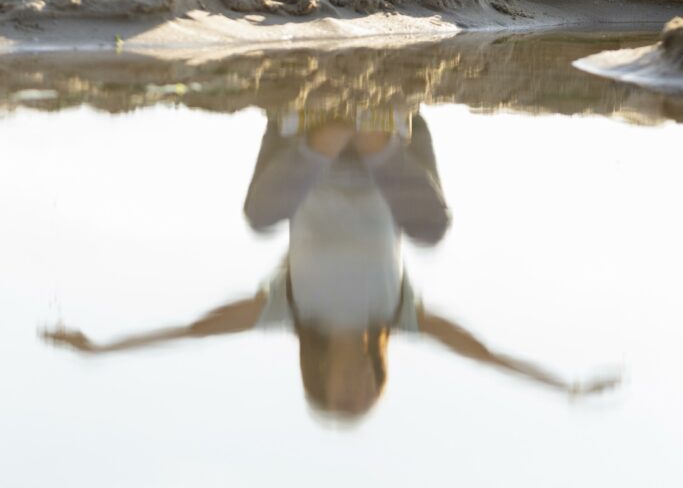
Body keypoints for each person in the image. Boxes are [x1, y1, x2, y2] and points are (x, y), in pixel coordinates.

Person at [41, 104, 619, 420]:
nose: (360, 389)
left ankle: (322, 124)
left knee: (262, 217)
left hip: (308, 157)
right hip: (384, 155)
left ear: (319, 381)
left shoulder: (289, 313)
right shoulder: (395, 315)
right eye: (369, 397)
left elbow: (197, 330)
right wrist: (559, 386)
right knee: (431, 231)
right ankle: (375, 123)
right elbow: (481, 352)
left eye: (345, 397)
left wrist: (103, 348)